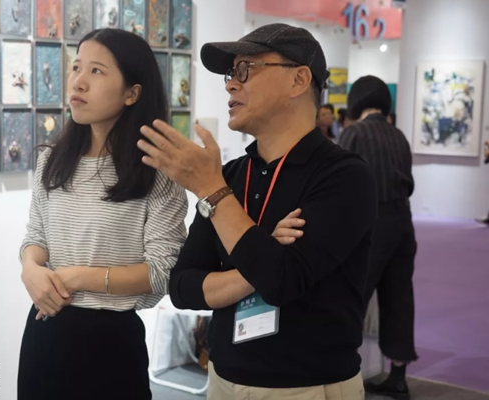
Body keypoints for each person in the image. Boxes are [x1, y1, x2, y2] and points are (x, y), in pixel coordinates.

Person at [137, 23, 377, 400]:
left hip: (307, 386)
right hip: (223, 377)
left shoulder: (344, 176)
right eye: (231, 74)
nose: (231, 85)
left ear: (298, 79)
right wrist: (259, 260)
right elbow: (182, 287)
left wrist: (213, 193)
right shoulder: (232, 175)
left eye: (245, 69)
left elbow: (282, 281)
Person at [17, 28, 189, 400]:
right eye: (76, 67)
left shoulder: (156, 172)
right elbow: (36, 237)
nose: (78, 81)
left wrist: (77, 277)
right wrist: (30, 268)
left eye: (96, 71)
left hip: (110, 344)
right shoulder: (52, 160)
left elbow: (163, 271)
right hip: (44, 333)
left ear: (132, 93)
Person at [339, 75, 418, 400]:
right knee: (399, 297)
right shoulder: (398, 135)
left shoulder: (353, 133)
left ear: (355, 101)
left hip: (371, 223)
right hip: (403, 223)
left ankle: (343, 373)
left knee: (352, 297)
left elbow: (340, 183)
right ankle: (398, 376)